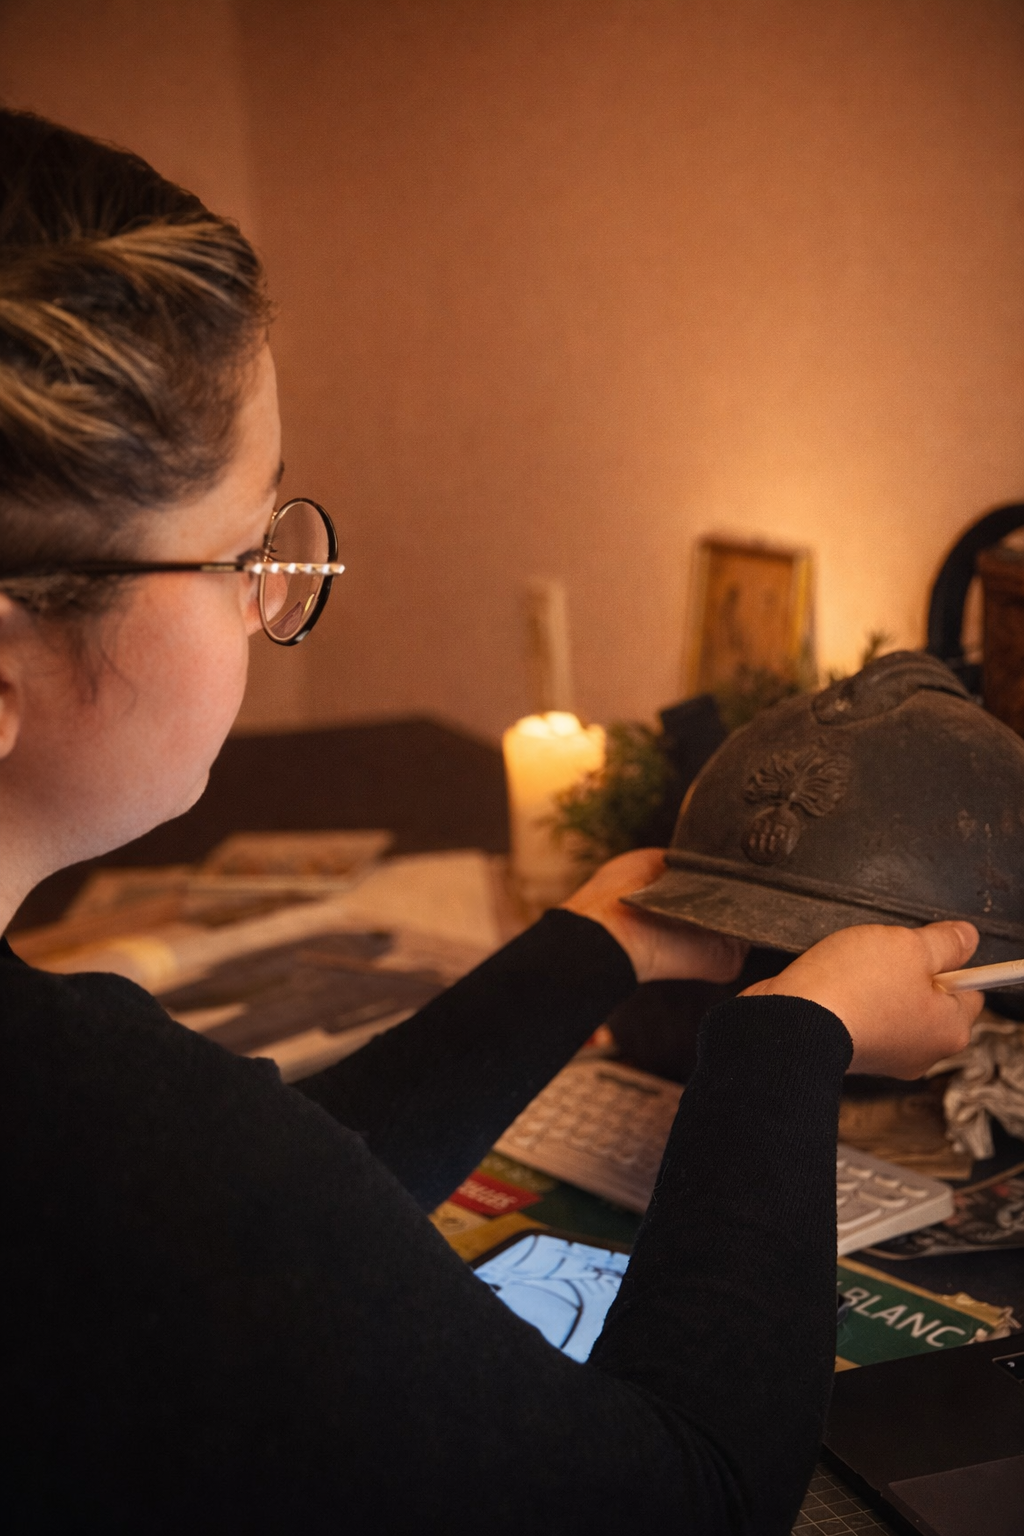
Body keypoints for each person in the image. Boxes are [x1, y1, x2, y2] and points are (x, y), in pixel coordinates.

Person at [0, 108, 982, 1535]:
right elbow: (691, 1502)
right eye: (243, 551)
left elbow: (248, 1223)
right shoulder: (81, 1131)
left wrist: (591, 947)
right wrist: (791, 1039)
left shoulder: (116, 1158)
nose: (273, 601)